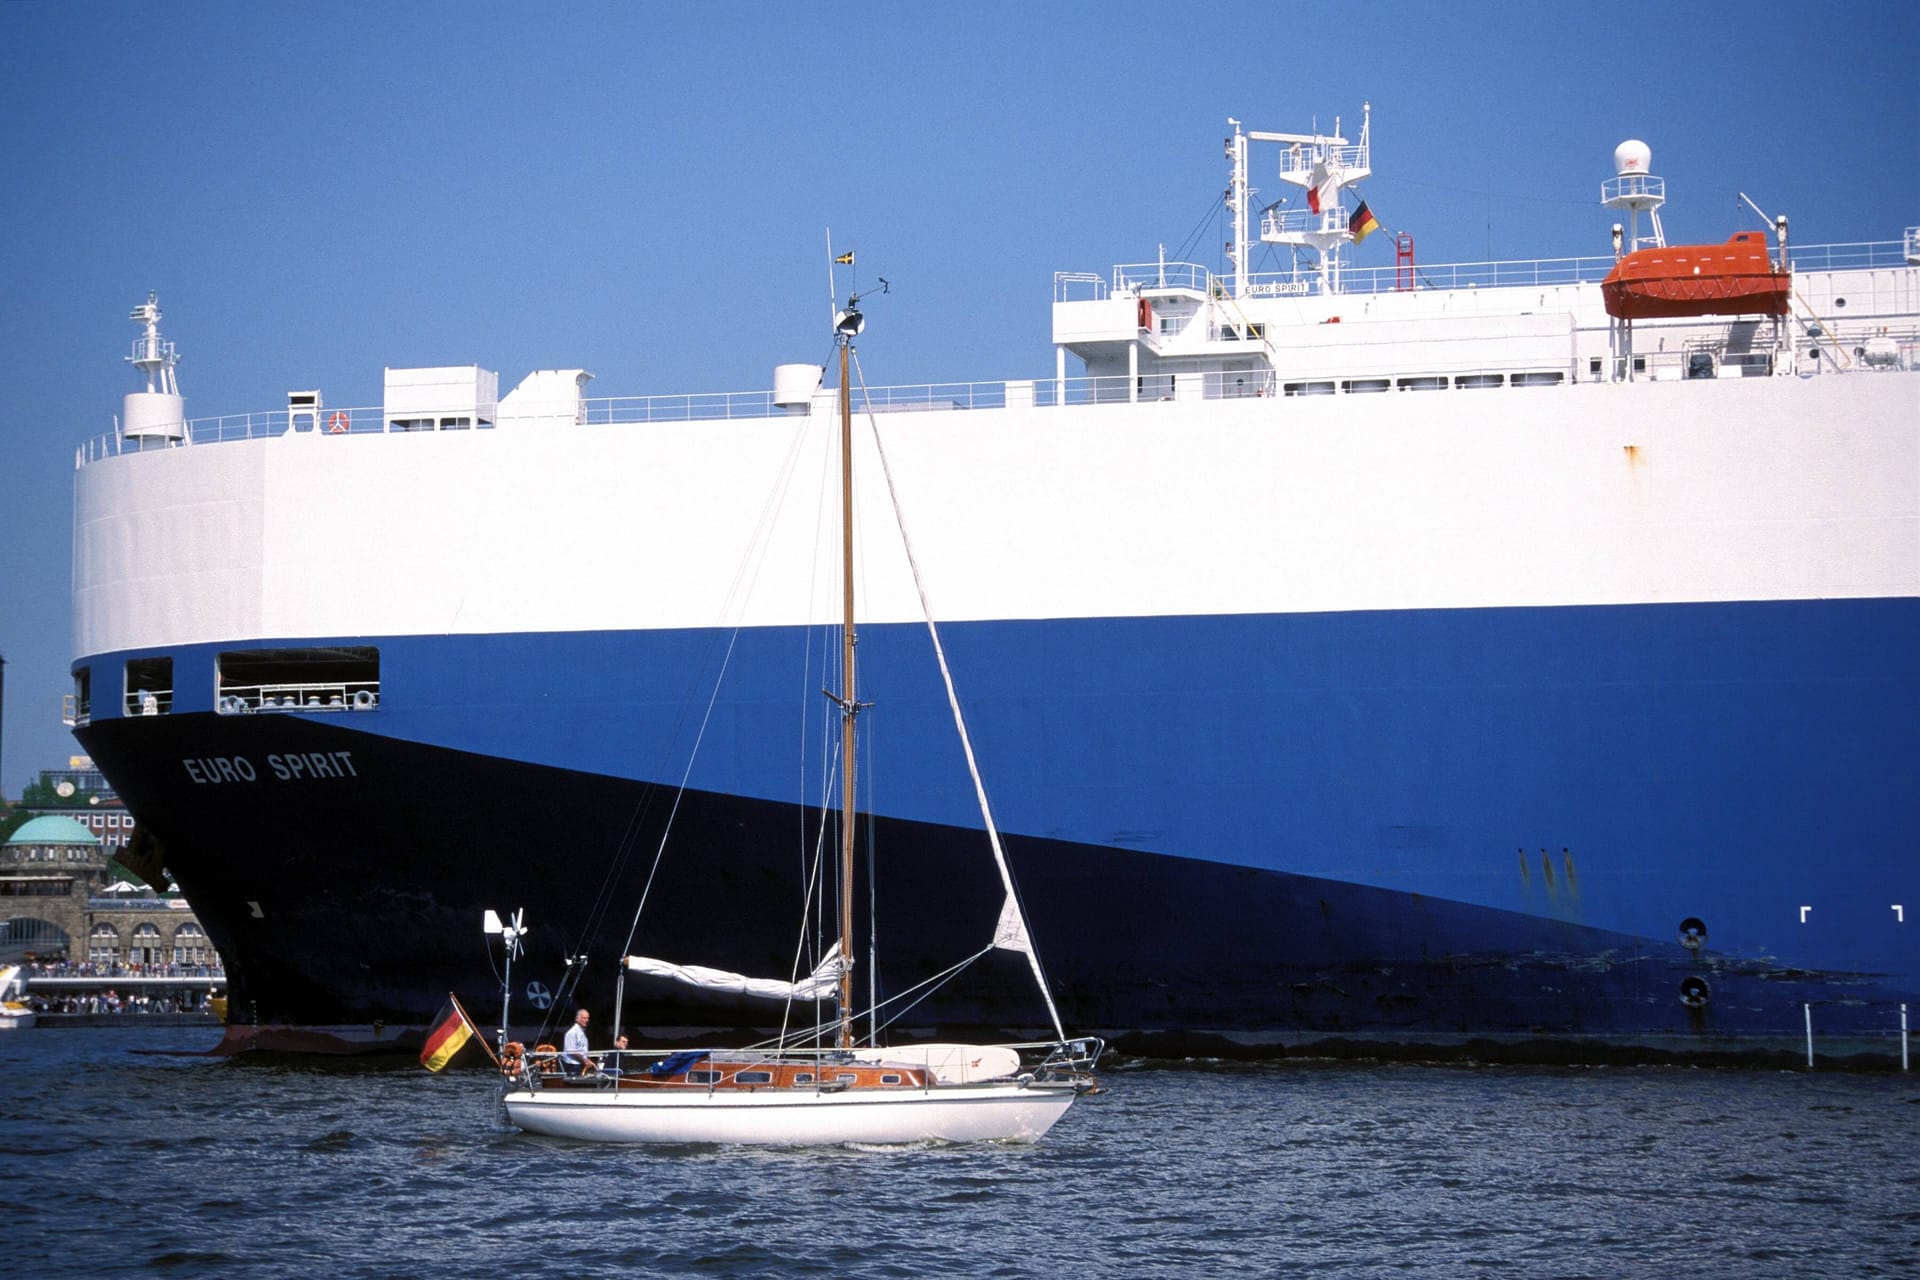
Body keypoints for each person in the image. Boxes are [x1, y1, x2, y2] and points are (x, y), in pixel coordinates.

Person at [561, 1007, 591, 1075]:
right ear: (577, 1018)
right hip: (573, 1065)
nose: (586, 1020)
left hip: (580, 1064)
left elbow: (581, 1049)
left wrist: (587, 1060)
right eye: (584, 1018)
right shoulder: (572, 1032)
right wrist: (584, 1060)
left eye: (587, 1018)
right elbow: (571, 1050)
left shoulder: (582, 1032)